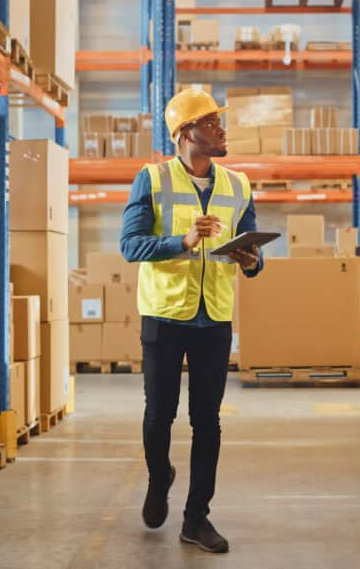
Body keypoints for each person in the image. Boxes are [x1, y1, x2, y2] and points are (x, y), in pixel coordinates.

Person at [120, 88, 262, 554]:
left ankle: (196, 517)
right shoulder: (152, 179)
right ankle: (160, 479)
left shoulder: (238, 185)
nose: (221, 129)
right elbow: (131, 246)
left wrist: (250, 260)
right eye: (211, 122)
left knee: (208, 420)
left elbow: (254, 256)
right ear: (185, 134)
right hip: (164, 314)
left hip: (214, 318)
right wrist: (180, 242)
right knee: (159, 415)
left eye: (220, 122)